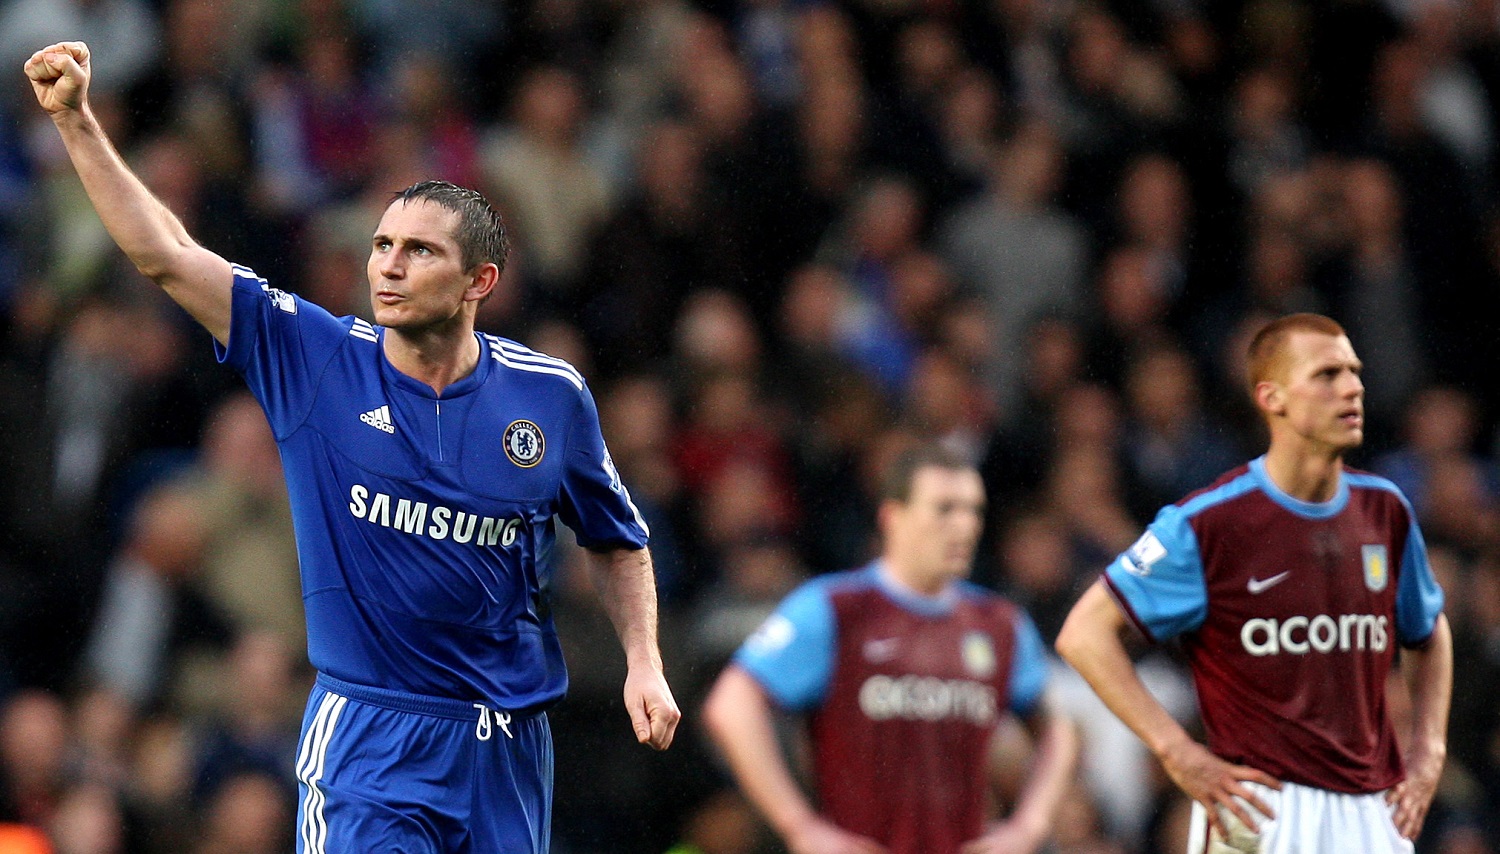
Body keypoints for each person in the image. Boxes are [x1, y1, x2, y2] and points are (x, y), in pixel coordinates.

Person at [24, 41, 680, 853]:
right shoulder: (317, 358)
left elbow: (617, 540)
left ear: (480, 281)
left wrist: (643, 661)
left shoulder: (550, 397)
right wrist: (77, 121)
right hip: (372, 743)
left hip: (509, 748)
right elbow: (166, 251)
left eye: (419, 251)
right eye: (380, 246)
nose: (388, 267)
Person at [1055, 313, 1452, 853]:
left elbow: (1429, 632)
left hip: (1371, 809)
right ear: (1273, 397)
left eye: (1355, 372)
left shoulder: (1385, 511)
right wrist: (1177, 751)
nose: (1353, 387)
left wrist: (1428, 750)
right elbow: (1083, 634)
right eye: (1328, 374)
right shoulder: (1210, 522)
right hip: (1262, 810)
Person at [702, 443, 1078, 854]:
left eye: (974, 510)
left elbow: (1058, 727)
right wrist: (799, 826)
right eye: (944, 508)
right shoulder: (836, 609)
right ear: (892, 517)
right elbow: (731, 705)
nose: (965, 525)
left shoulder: (1000, 624)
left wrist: (1029, 826)